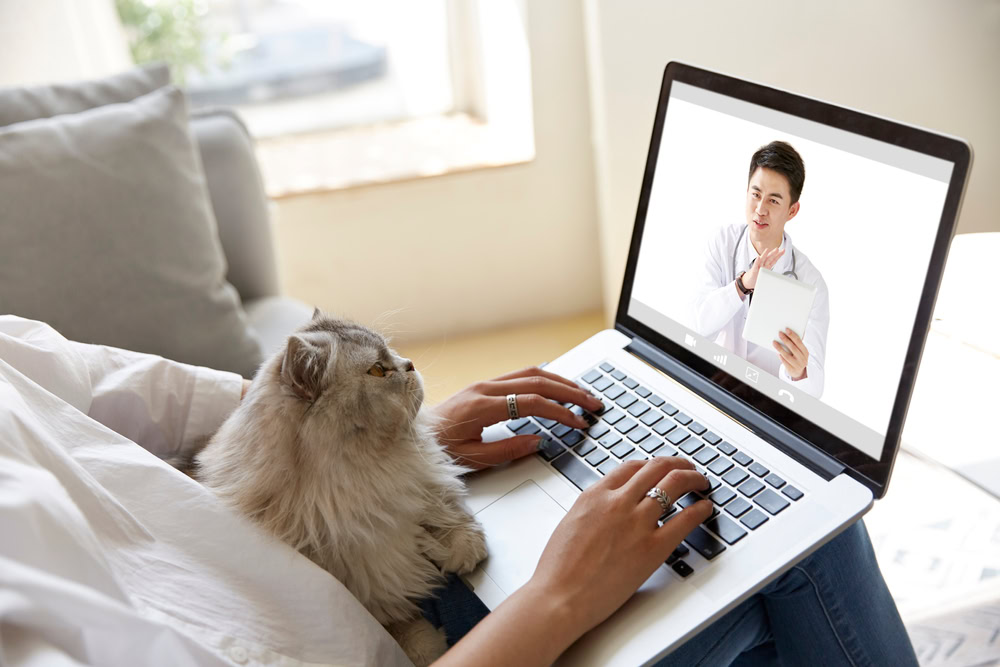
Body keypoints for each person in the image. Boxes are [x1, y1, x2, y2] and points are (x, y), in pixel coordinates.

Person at [0, 315, 914, 666]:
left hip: (343, 580)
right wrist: (556, 600)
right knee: (805, 530)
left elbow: (128, 392)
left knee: (752, 546)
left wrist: (384, 450)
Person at [693, 141, 830, 399]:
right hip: (711, 390)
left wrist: (799, 372)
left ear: (792, 210)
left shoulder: (812, 283)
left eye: (773, 201)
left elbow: (814, 389)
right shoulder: (721, 243)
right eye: (755, 194)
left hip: (764, 407)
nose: (760, 209)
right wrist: (742, 285)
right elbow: (696, 327)